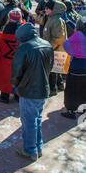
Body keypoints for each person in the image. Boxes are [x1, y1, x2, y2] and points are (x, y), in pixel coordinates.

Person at [11, 23, 54, 162]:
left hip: (29, 90)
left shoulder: (24, 48)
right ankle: (38, 147)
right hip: (43, 87)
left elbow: (16, 71)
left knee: (29, 121)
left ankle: (30, 150)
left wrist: (15, 85)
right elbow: (51, 66)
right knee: (37, 118)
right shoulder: (47, 44)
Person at [0, 9, 22, 103]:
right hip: (19, 60)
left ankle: (4, 97)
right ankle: (18, 96)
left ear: (9, 18)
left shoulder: (1, 35)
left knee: (5, 77)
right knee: (19, 77)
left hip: (6, 60)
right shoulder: (23, 32)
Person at [61, 18, 86, 119]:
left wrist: (74, 52)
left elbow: (66, 44)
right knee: (83, 89)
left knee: (71, 89)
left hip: (76, 66)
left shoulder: (78, 35)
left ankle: (71, 111)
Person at [43, 0, 67, 96]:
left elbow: (59, 38)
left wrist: (49, 47)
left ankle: (52, 90)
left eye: (47, 8)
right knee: (56, 69)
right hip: (55, 49)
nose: (45, 10)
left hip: (56, 50)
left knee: (52, 71)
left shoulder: (57, 20)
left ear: (53, 10)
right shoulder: (51, 18)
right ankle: (60, 85)